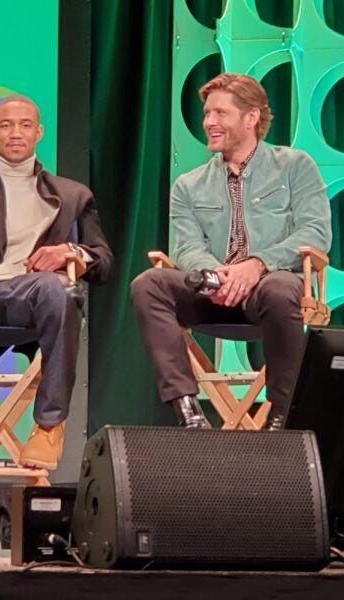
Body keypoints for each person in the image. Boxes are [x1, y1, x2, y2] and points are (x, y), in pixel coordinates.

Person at [131, 73, 331, 430]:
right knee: (149, 283)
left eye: (220, 113)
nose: (209, 122)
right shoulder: (188, 185)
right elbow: (187, 246)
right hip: (213, 291)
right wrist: (217, 276)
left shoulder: (294, 166)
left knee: (282, 287)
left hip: (269, 290)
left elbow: (315, 233)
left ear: (251, 117)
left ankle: (283, 416)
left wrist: (255, 266)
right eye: (207, 114)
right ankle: (187, 409)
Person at [0, 95, 112, 468]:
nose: (15, 133)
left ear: (39, 132)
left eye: (25, 125)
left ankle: (49, 426)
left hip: (31, 291)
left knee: (59, 287)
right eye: (5, 125)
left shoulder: (72, 194)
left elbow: (103, 261)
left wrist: (71, 252)